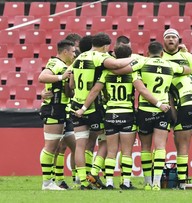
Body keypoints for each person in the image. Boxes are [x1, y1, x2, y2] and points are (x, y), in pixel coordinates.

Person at [75, 44, 167, 190]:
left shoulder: (106, 73)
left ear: (115, 56)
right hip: (127, 114)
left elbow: (95, 91)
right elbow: (141, 89)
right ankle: (125, 182)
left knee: (111, 151)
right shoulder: (134, 72)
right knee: (127, 151)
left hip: (110, 114)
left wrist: (83, 108)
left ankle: (110, 183)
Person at [113, 41, 191, 190]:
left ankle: (148, 182)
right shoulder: (169, 65)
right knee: (160, 146)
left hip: (146, 110)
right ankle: (156, 183)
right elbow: (188, 69)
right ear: (162, 53)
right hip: (163, 110)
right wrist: (184, 56)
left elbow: (130, 79)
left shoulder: (142, 62)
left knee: (145, 147)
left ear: (147, 52)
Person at [68, 32, 133, 190]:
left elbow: (71, 85)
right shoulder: (98, 57)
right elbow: (116, 65)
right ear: (105, 46)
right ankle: (95, 172)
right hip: (92, 107)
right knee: (105, 141)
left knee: (81, 145)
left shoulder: (78, 59)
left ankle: (84, 181)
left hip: (76, 104)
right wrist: (134, 58)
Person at [38, 39, 75, 190]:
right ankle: (47, 183)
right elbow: (42, 77)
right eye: (72, 51)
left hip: (63, 110)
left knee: (71, 145)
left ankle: (64, 180)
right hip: (53, 108)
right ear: (65, 52)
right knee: (50, 147)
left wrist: (68, 83)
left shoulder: (65, 66)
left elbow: (68, 92)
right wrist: (62, 77)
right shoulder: (55, 63)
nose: (74, 54)